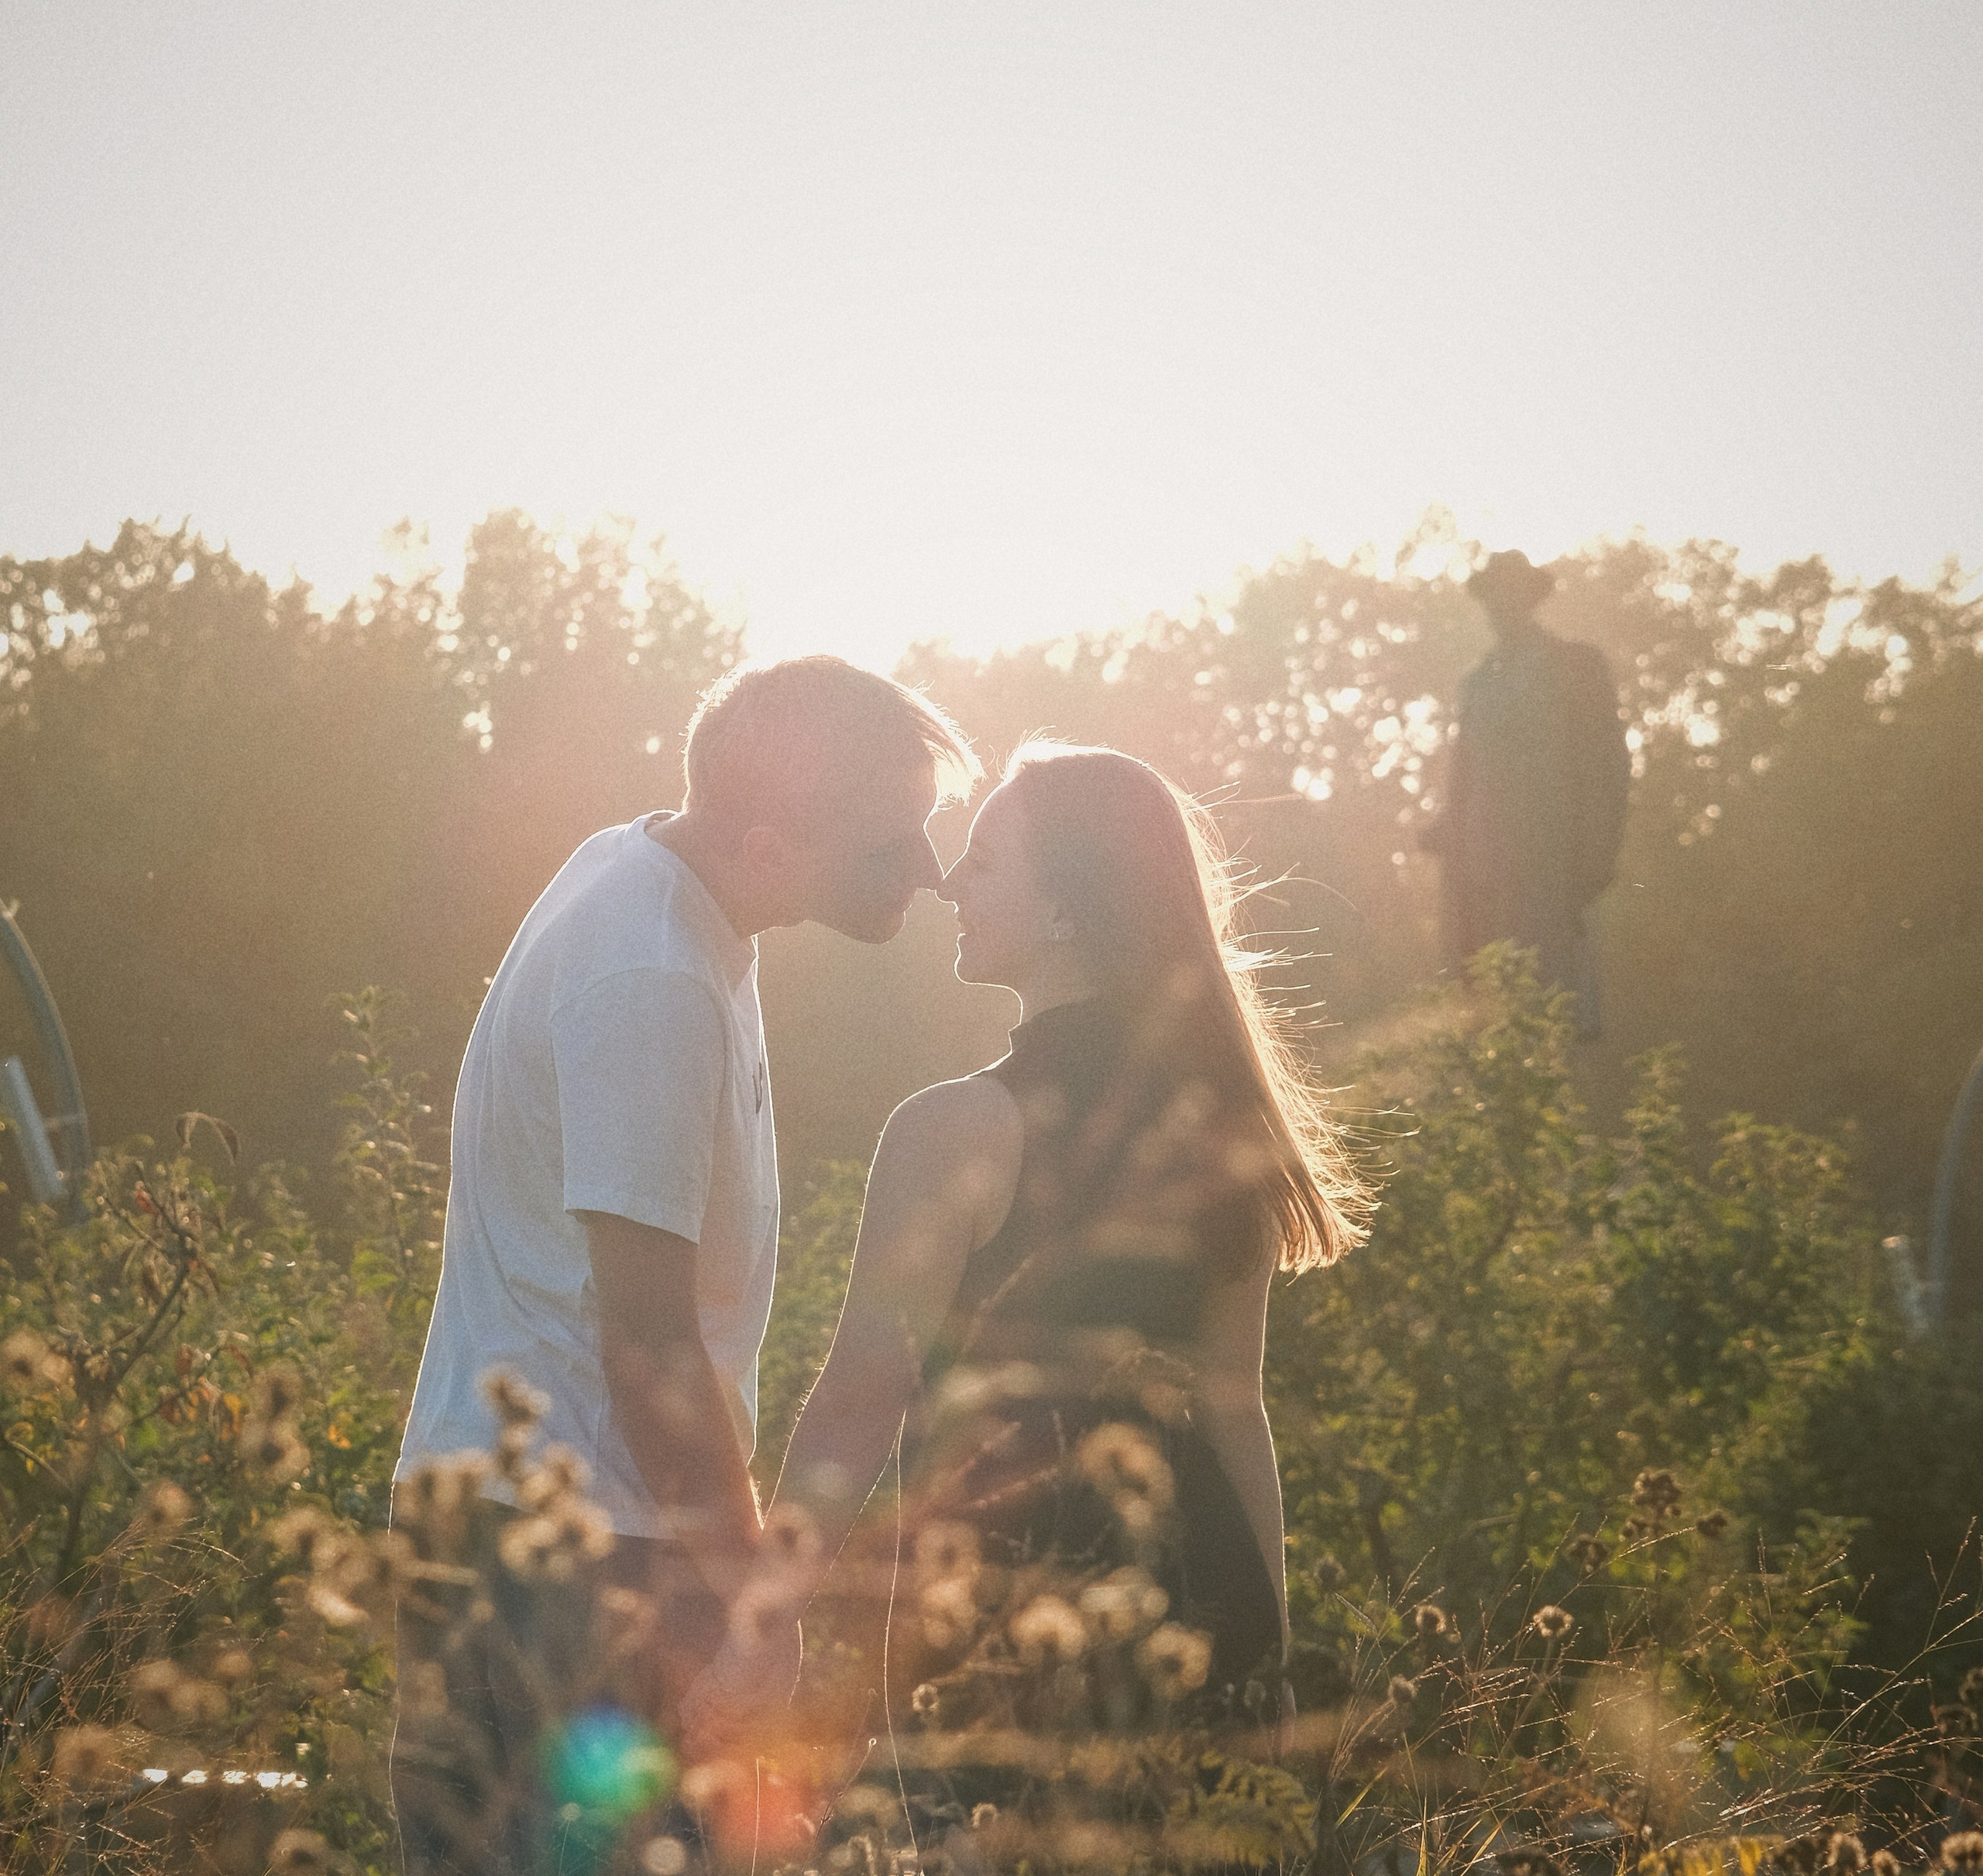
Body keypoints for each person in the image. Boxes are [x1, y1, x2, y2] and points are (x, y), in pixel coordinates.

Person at [686, 742, 1368, 1847]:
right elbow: (1234, 1409)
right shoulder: (1221, 1123)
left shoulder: (954, 1128)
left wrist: (761, 1623)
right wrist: (1269, 1658)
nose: (949, 883)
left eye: (985, 861)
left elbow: (859, 1400)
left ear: (1063, 909)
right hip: (1208, 1628)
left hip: (1005, 1641)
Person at [387, 655, 978, 1876]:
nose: (928, 869)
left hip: (544, 1536)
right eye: (890, 844)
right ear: (767, 848)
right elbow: (649, 1344)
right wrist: (749, 1606)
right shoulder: (651, 973)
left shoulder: (652, 879)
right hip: (573, 1561)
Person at [1420, 549, 1631, 1036]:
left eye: (1511, 593)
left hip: (1552, 866)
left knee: (1555, 1011)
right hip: (1483, 874)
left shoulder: (1576, 665)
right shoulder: (1478, 683)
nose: (1500, 605)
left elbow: (1608, 763)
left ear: (1531, 598)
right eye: (1492, 596)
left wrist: (1597, 855)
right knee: (1489, 1018)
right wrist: (1445, 831)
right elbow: (1465, 780)